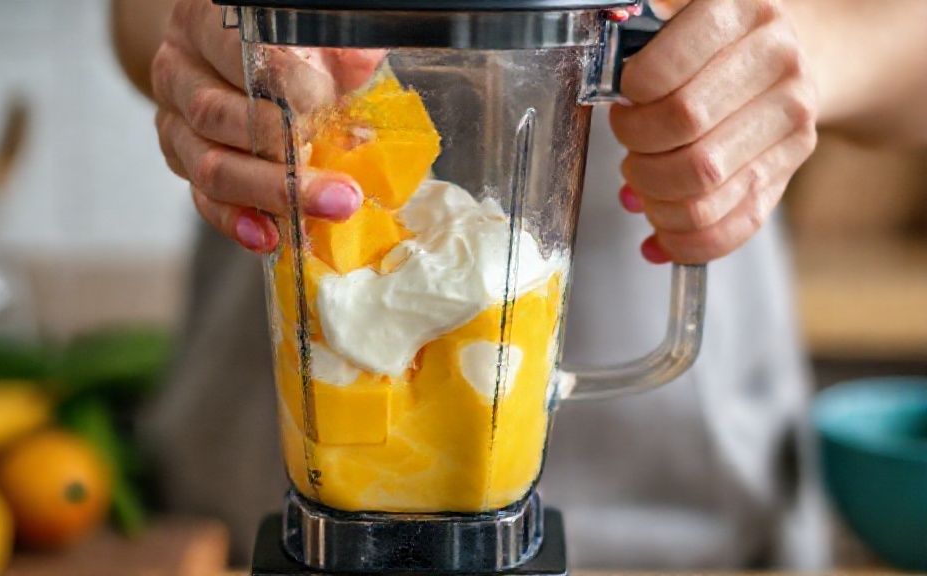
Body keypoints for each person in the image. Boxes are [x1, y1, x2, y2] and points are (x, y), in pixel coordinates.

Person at [111, 0, 927, 569]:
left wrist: (786, 55)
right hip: (260, 453)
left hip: (681, 505)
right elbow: (137, 13)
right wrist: (224, 36)